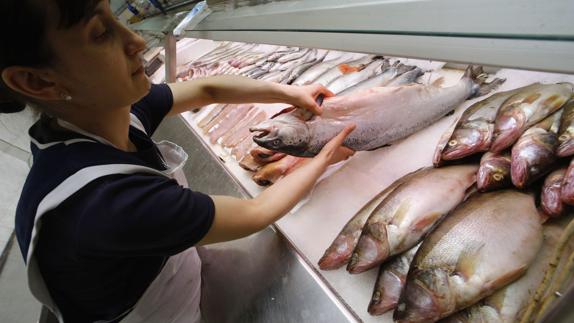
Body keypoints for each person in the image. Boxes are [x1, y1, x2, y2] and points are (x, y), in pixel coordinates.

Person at [0, 0, 355, 322]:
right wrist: (322, 153)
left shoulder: (100, 116)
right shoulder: (112, 205)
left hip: (147, 270)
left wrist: (288, 92)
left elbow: (206, 90)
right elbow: (256, 214)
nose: (137, 40)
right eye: (100, 33)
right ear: (38, 81)